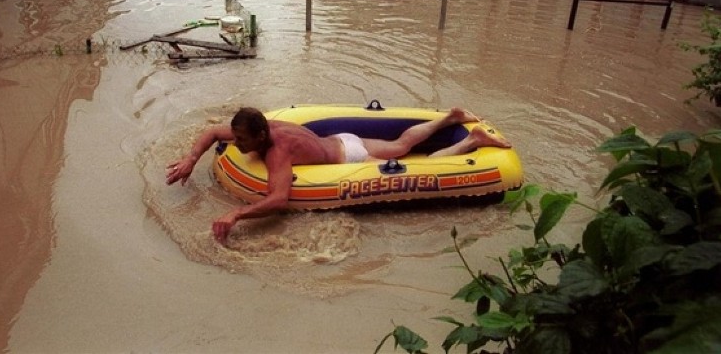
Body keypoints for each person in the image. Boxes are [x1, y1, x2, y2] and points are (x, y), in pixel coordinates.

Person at [166, 106, 512, 244]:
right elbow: (213, 131)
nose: (236, 143)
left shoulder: (277, 152)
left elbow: (277, 200)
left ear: (259, 136)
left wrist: (236, 213)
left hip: (351, 156)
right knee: (403, 144)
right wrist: (190, 159)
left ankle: (470, 141)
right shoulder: (263, 126)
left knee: (405, 151)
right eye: (235, 137)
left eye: (241, 140)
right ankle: (449, 118)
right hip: (340, 141)